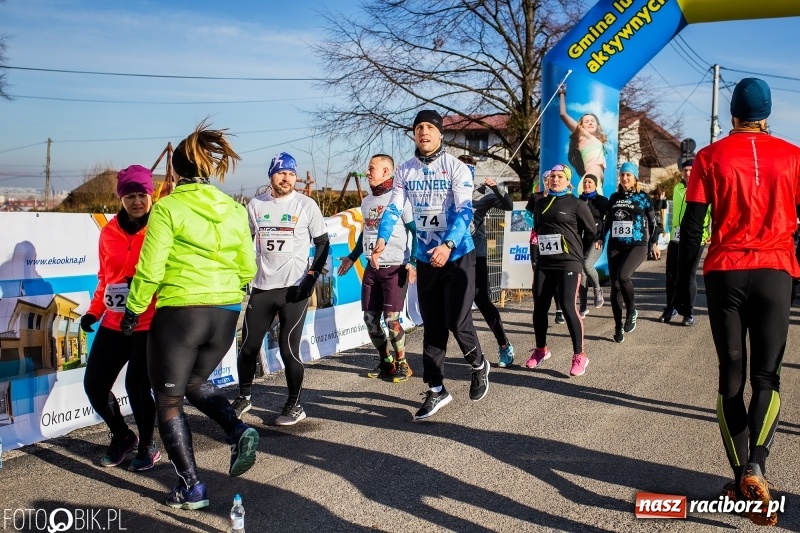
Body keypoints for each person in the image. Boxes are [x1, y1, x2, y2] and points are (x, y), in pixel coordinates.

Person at [675, 78, 800, 527]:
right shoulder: (794, 156)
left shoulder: (709, 157)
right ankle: (757, 466)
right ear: (767, 116)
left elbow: (691, 228)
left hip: (725, 271)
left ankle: (740, 476)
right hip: (775, 271)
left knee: (731, 377)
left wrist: (679, 288)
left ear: (733, 115)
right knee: (767, 375)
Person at [122, 121, 259, 510]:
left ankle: (192, 487)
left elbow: (150, 269)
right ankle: (237, 428)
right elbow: (248, 266)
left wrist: (133, 311)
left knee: (168, 400)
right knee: (196, 382)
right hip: (225, 312)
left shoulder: (167, 207)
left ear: (177, 171)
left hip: (182, 311)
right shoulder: (234, 208)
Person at [371, 109, 489, 420]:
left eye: (429, 127)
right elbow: (394, 208)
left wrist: (448, 244)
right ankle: (436, 389)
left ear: (439, 133)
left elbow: (465, 212)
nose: (424, 132)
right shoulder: (405, 171)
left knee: (457, 321)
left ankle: (478, 364)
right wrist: (382, 239)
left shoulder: (457, 168)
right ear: (414, 134)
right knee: (432, 325)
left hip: (457, 253)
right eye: (418, 127)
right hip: (425, 257)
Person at [233, 152, 330, 423]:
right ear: (271, 176)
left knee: (288, 350)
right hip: (263, 287)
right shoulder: (255, 205)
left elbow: (323, 244)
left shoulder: (305, 204)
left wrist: (310, 279)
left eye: (291, 173)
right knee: (248, 347)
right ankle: (244, 397)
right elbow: (244, 242)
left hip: (294, 290)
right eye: (281, 172)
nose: (286, 178)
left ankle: (295, 404)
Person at [80, 165, 159, 471]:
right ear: (121, 199)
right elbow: (105, 279)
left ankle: (148, 444)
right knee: (94, 385)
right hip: (114, 323)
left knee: (135, 387)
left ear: (150, 196)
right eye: (130, 196)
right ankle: (123, 435)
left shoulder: (158, 230)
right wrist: (93, 311)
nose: (136, 201)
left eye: (141, 194)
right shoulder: (108, 232)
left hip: (148, 323)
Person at [338, 153, 417, 382]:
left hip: (395, 267)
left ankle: (403, 363)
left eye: (371, 168)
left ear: (386, 172)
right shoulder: (367, 201)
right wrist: (353, 257)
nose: (367, 172)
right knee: (370, 320)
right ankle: (386, 362)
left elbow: (415, 231)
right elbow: (367, 231)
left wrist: (413, 262)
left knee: (391, 319)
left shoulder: (400, 198)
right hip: (372, 267)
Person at [524, 164, 596, 377]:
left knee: (567, 306)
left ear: (568, 181)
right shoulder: (541, 203)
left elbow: (591, 232)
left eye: (559, 177)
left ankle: (580, 355)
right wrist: (535, 258)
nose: (555, 179)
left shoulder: (577, 203)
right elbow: (537, 231)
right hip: (546, 262)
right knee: (539, 306)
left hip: (569, 262)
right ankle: (541, 350)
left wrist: (578, 253)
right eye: (552, 176)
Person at [458, 154, 515, 367]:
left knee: (481, 300)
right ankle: (470, 352)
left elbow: (508, 206)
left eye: (470, 168)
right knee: (456, 303)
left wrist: (497, 188)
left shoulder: (482, 192)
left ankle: (504, 344)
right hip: (452, 254)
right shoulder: (446, 193)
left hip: (476, 253)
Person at [602, 162, 660, 343]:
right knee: (615, 286)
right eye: (622, 175)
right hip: (616, 245)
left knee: (623, 276)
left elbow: (654, 222)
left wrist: (654, 242)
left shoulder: (643, 197)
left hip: (637, 244)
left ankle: (632, 309)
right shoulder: (613, 197)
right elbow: (607, 221)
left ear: (635, 178)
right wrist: (599, 238)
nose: (625, 178)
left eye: (628, 175)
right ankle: (618, 325)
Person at [660, 159, 710, 326]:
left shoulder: (703, 188)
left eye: (691, 170)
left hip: (696, 237)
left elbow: (710, 212)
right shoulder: (678, 188)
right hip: (676, 236)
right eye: (685, 170)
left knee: (688, 275)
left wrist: (709, 231)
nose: (687, 173)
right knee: (671, 274)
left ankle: (688, 313)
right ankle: (671, 307)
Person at [526, 172, 564, 324]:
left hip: (553, 238)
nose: (550, 181)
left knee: (554, 274)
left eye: (553, 179)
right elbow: (527, 215)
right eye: (547, 179)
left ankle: (559, 309)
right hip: (537, 237)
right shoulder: (536, 197)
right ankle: (540, 309)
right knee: (537, 273)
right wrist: (537, 224)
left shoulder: (560, 197)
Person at [558, 84, 608, 191]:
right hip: (591, 180)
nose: (590, 123)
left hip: (596, 181)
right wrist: (562, 93)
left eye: (592, 121)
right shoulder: (583, 134)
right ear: (581, 126)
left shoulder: (597, 140)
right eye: (586, 121)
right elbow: (563, 114)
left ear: (597, 124)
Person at [577, 174, 609, 316]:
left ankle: (597, 290)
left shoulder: (602, 201)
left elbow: (607, 221)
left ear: (595, 185)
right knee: (582, 272)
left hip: (596, 240)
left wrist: (602, 237)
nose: (587, 184)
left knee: (587, 266)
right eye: (585, 182)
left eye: (590, 182)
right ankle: (583, 306)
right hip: (581, 240)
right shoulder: (578, 201)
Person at [648, 188, 667, 260]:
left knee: (656, 238)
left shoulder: (660, 200)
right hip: (653, 221)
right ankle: (650, 253)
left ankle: (655, 253)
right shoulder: (652, 200)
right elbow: (658, 207)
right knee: (653, 238)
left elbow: (664, 206)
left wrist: (664, 200)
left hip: (659, 221)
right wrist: (661, 200)